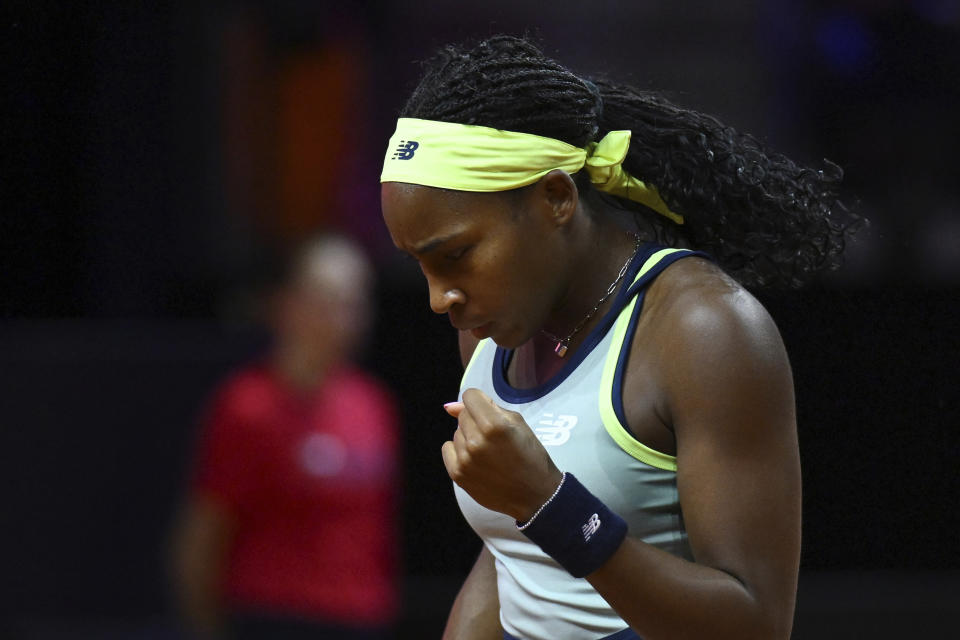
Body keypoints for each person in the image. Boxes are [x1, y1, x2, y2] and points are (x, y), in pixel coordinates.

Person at [379, 36, 858, 640]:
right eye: (420, 266)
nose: (438, 297)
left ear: (555, 197)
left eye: (455, 256)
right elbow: (511, 562)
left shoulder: (704, 330)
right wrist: (531, 512)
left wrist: (549, 505)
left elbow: (755, 625)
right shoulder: (487, 332)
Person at [169, 235, 401, 640]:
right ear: (288, 304)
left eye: (355, 303)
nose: (343, 318)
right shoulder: (247, 407)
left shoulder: (372, 404)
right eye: (327, 300)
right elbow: (202, 538)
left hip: (361, 619)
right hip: (276, 616)